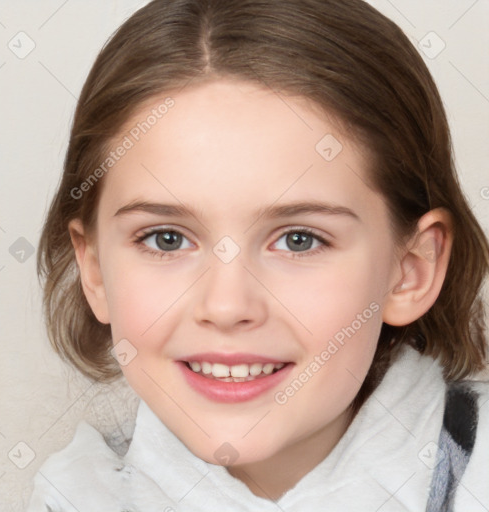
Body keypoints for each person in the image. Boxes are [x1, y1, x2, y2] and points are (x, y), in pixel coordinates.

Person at [28, 0, 489, 510]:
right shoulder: (69, 496)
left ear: (410, 271)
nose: (227, 306)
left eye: (299, 240)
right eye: (166, 239)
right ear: (94, 271)